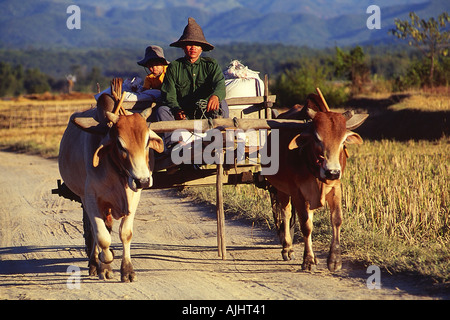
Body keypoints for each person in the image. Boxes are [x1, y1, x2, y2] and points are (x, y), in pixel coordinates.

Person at [158, 17, 228, 124]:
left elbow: (220, 84)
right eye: (189, 44)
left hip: (206, 112)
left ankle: (220, 136)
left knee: (222, 103)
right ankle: (176, 141)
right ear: (183, 47)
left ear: (202, 48)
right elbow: (169, 95)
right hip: (182, 113)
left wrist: (215, 96)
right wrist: (177, 109)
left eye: (197, 44)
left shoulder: (211, 65)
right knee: (162, 110)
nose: (193, 48)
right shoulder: (174, 67)